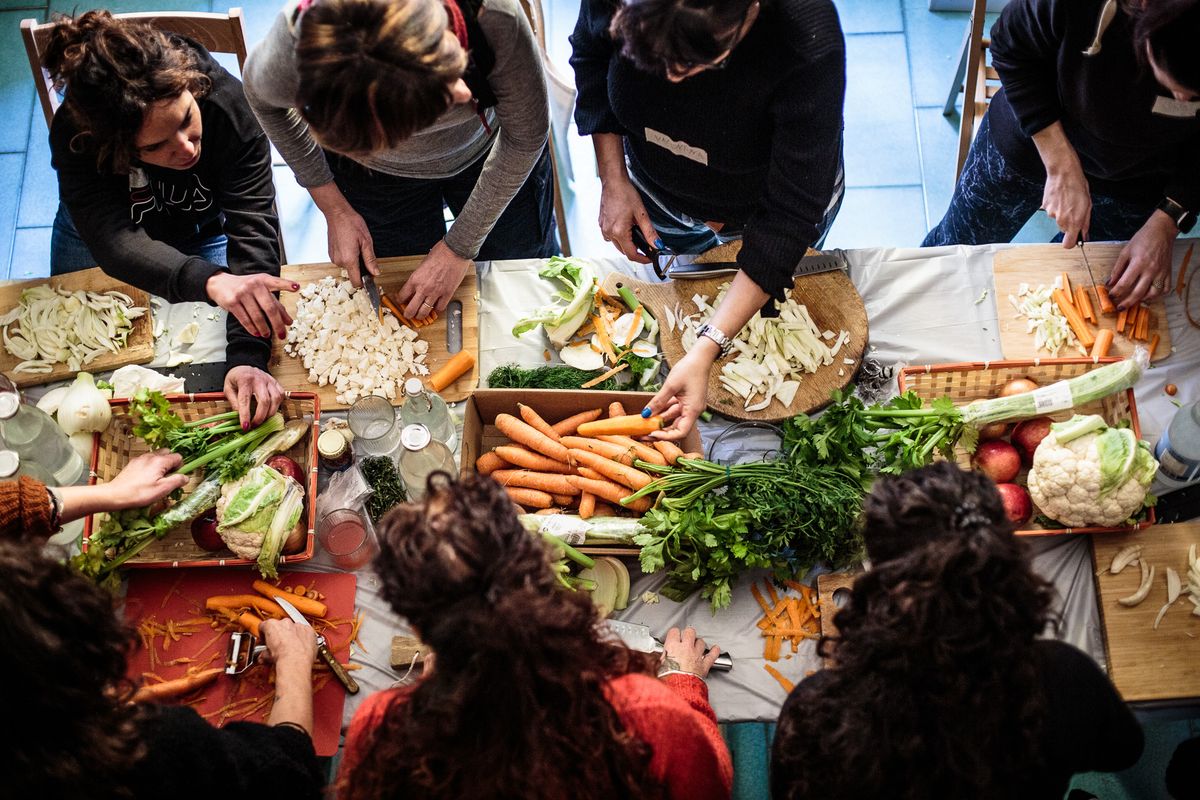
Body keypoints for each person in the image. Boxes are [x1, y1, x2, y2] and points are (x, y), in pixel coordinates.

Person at [336, 473, 733, 800]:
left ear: (417, 628)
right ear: (539, 573)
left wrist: (439, 688)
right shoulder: (643, 711)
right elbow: (710, 787)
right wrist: (686, 685)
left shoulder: (377, 727)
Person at [770, 462, 1143, 800]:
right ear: (1003, 561)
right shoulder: (1066, 677)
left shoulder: (820, 709)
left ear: (882, 579)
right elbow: (1124, 752)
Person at [570, 0, 846, 440]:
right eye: (651, 60)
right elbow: (590, 55)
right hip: (655, 187)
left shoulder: (806, 38)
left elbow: (788, 218)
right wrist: (612, 178)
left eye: (692, 62)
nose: (671, 78)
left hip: (766, 203)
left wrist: (705, 349)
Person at [0, 450, 324, 800]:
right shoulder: (136, 756)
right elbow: (285, 781)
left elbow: (11, 509)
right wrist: (293, 665)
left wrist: (109, 494)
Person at [44, 11, 294, 429]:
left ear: (190, 88)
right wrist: (210, 280)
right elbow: (113, 240)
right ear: (116, 149)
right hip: (101, 228)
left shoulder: (230, 108)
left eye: (186, 120)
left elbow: (252, 226)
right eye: (157, 145)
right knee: (78, 350)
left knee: (209, 345)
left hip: (203, 226)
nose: (187, 148)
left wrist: (248, 357)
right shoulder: (78, 136)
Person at [243, 0, 557, 321]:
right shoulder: (299, 43)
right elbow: (260, 97)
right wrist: (333, 205)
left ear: (455, 91)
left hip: (491, 152)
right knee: (400, 286)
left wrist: (460, 247)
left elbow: (526, 136)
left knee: (522, 275)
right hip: (377, 182)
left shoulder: (494, 17)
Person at [923, 0, 1200, 311]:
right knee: (948, 258)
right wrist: (1061, 164)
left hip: (1141, 183)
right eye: (1183, 90)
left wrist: (1170, 218)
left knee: (1080, 294)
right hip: (1031, 141)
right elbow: (1009, 45)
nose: (1184, 101)